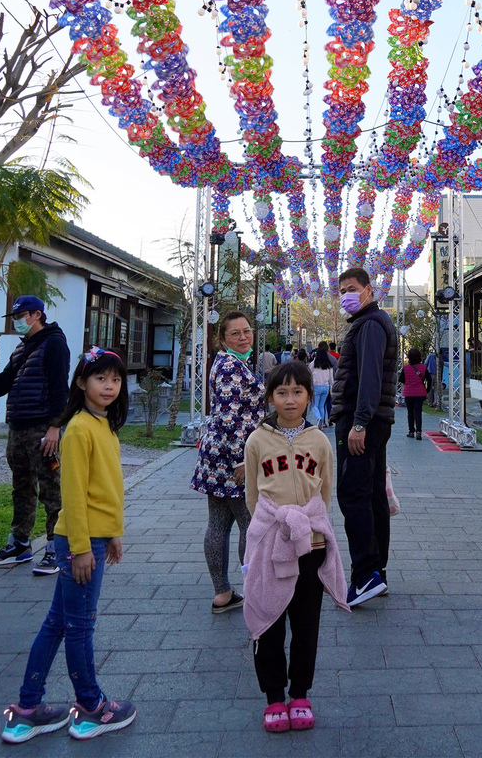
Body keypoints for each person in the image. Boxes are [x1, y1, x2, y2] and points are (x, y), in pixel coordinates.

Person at [1, 348, 136, 744]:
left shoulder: (103, 424)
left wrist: (112, 532)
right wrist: (80, 548)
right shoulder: (78, 428)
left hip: (93, 535)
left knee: (58, 623)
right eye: (100, 379)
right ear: (81, 383)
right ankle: (92, 708)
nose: (109, 386)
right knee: (80, 628)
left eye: (115, 379)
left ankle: (27, 709)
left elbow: (105, 488)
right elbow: (72, 495)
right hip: (79, 540)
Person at [243, 362, 348, 733]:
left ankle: (300, 693)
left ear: (309, 395)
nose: (290, 400)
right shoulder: (256, 440)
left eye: (298, 392)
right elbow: (252, 496)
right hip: (271, 543)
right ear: (270, 396)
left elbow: (325, 491)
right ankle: (274, 696)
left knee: (306, 624)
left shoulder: (319, 440)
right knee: (267, 619)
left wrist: (306, 527)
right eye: (282, 393)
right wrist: (275, 529)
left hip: (311, 544)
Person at [331, 267, 397, 607]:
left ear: (368, 290)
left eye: (352, 288)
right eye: (342, 289)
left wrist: (359, 423)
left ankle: (366, 574)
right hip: (373, 421)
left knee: (352, 493)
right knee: (372, 495)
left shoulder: (370, 325)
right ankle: (377, 571)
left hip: (362, 424)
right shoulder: (369, 322)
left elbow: (369, 378)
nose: (346, 294)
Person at [191, 310, 263, 613]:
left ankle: (223, 592)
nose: (244, 337)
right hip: (232, 459)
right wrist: (240, 461)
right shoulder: (232, 367)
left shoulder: (227, 363)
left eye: (246, 331)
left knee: (219, 523)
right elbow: (231, 418)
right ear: (223, 338)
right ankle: (253, 588)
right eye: (235, 333)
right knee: (249, 522)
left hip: (216, 456)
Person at [0, 296, 70, 576]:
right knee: (21, 487)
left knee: (51, 488)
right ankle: (20, 543)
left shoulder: (54, 344)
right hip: (17, 427)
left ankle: (56, 546)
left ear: (37, 315)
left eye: (22, 315)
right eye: (14, 316)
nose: (17, 321)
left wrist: (55, 427)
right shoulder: (20, 349)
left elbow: (60, 389)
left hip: (42, 429)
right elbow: (1, 386)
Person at [399, 348, 432, 440]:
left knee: (410, 412)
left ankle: (411, 431)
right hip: (420, 393)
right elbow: (429, 379)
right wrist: (427, 390)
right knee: (418, 412)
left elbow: (401, 379)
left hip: (408, 392)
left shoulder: (406, 368)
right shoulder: (423, 367)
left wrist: (409, 382)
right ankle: (419, 432)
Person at [308, 345, 334, 430]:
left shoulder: (313, 364)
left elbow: (309, 375)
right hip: (326, 386)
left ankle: (318, 418)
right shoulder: (329, 365)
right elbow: (331, 379)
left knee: (314, 405)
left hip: (316, 386)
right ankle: (321, 424)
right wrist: (331, 390)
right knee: (321, 406)